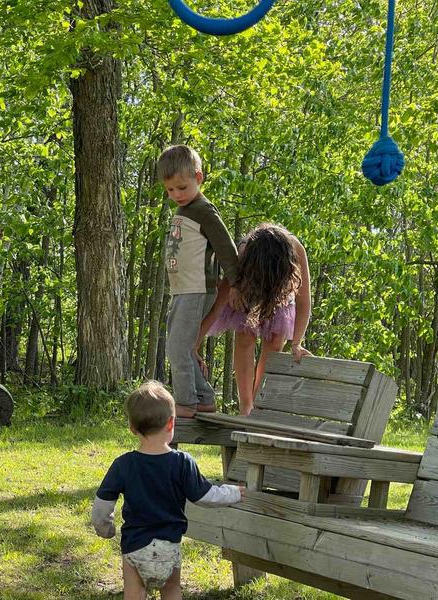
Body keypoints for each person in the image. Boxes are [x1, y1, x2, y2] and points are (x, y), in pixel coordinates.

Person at [91, 381, 245, 600]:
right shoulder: (182, 462)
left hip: (134, 548)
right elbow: (205, 495)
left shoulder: (123, 465)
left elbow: (101, 506)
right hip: (169, 547)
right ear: (171, 423)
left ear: (132, 427)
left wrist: (105, 529)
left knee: (134, 592)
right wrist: (234, 493)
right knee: (172, 590)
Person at [197, 223, 312, 416]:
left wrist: (296, 343)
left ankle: (258, 406)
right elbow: (218, 305)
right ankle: (246, 407)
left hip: (280, 296)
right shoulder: (244, 251)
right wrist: (194, 344)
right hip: (246, 292)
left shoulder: (295, 248)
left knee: (275, 341)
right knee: (245, 337)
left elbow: (304, 300)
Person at [159, 145, 239, 418]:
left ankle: (186, 402)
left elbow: (226, 248)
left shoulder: (204, 211)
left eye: (182, 187)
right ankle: (203, 398)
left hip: (196, 290)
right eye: (170, 190)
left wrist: (236, 283)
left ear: (199, 177)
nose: (176, 195)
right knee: (178, 344)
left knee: (177, 347)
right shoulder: (185, 210)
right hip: (182, 290)